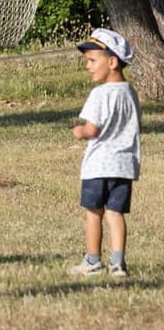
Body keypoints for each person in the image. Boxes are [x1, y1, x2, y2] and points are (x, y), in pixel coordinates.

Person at [70, 28, 140, 278]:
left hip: (99, 165)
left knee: (93, 213)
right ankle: (118, 263)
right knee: (115, 213)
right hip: (124, 165)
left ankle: (92, 261)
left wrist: (80, 131)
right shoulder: (131, 93)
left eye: (92, 61)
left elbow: (92, 128)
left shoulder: (99, 94)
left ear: (112, 62)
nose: (88, 66)